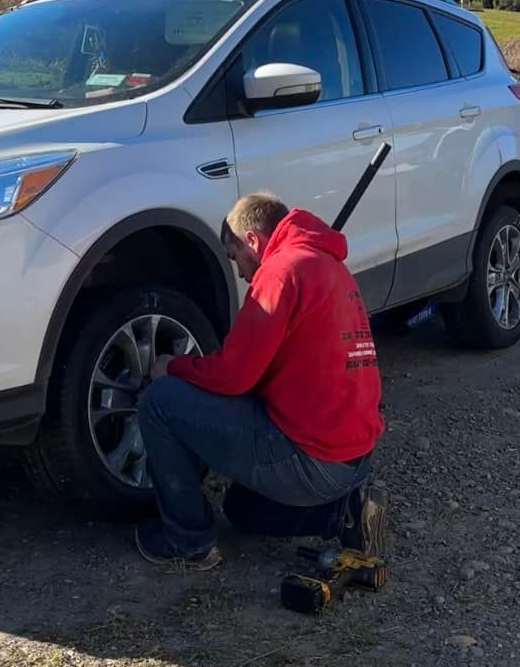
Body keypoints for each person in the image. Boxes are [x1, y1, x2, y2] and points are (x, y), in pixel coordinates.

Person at [134, 192, 386, 570]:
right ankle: (343, 514)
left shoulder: (281, 272)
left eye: (235, 256)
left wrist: (173, 367)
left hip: (310, 459)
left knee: (159, 401)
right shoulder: (330, 267)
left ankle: (187, 542)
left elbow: (235, 376)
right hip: (353, 458)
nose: (239, 272)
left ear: (252, 240)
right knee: (242, 509)